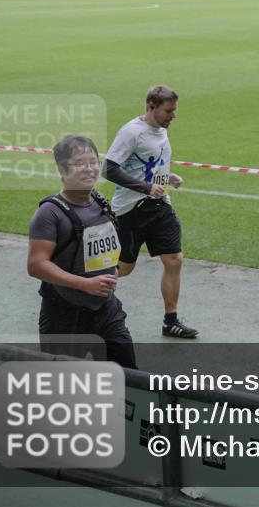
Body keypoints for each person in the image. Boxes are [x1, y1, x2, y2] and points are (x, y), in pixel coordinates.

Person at [27, 135, 137, 369]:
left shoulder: (99, 201)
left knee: (127, 375)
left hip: (106, 310)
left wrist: (113, 269)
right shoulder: (49, 213)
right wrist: (85, 284)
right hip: (64, 317)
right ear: (62, 169)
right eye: (80, 163)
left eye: (93, 162)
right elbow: (36, 265)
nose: (89, 169)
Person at [103, 85, 197, 339]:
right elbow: (109, 169)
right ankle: (86, 296)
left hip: (159, 206)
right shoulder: (132, 132)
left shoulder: (160, 129)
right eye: (169, 111)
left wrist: (168, 176)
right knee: (124, 267)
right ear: (151, 106)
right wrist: (146, 187)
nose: (173, 116)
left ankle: (170, 321)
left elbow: (151, 162)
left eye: (174, 110)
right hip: (131, 210)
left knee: (174, 259)